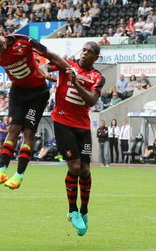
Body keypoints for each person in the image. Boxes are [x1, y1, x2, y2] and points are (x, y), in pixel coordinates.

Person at [0, 26, 70, 190]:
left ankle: (19, 175)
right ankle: (1, 170)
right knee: (13, 130)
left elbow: (50, 55)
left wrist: (69, 70)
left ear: (0, 34)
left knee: (29, 132)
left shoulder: (23, 41)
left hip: (38, 93)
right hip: (18, 92)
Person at [45, 41, 105, 236]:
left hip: (83, 126)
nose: (84, 54)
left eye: (89, 52)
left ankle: (84, 211)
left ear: (96, 58)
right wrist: (45, 72)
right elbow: (45, 64)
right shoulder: (67, 64)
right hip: (63, 122)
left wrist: (76, 83)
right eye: (84, 50)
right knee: (75, 167)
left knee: (86, 170)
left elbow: (92, 100)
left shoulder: (97, 77)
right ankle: (72, 210)